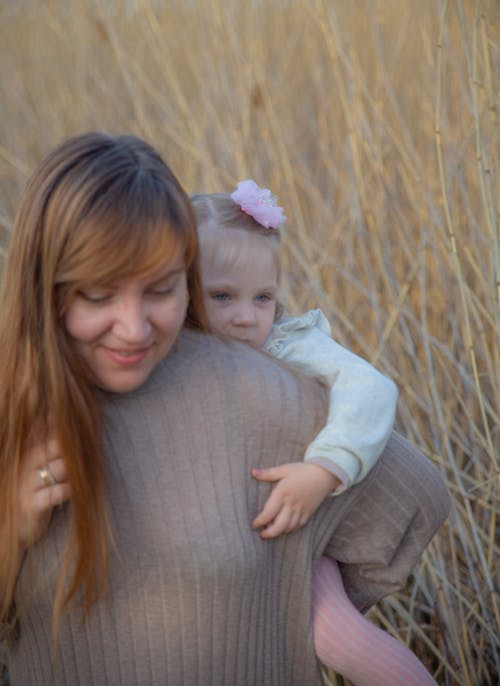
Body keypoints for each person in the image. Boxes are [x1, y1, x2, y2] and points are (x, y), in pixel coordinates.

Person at [0, 133, 450, 686]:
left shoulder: (254, 387)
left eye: (162, 291)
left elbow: (415, 499)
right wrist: (12, 526)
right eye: (97, 296)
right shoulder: (12, 408)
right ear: (43, 286)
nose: (135, 328)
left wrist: (295, 588)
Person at [191, 182, 441, 685]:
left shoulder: (287, 345)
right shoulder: (172, 353)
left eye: (262, 297)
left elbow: (370, 387)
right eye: (222, 296)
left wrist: (325, 468)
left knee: (339, 640)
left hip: (299, 539)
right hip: (223, 546)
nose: (245, 317)